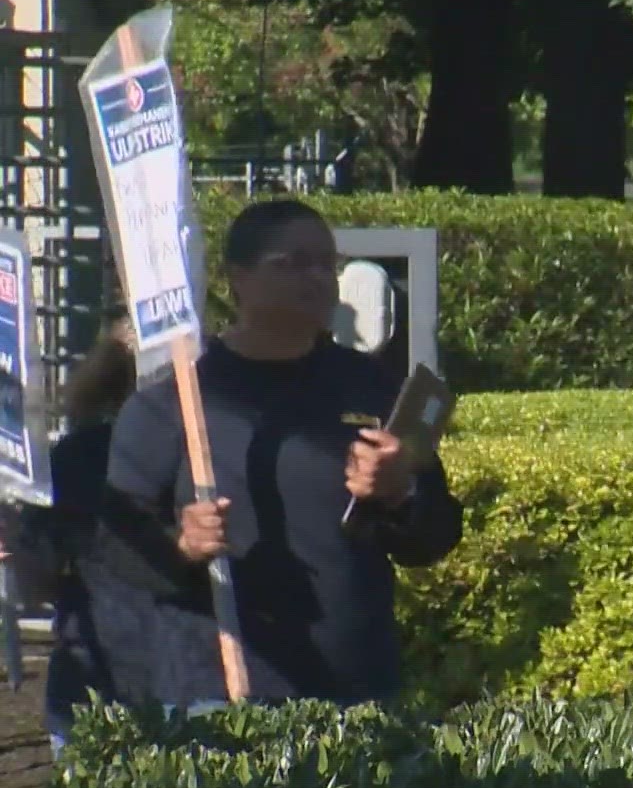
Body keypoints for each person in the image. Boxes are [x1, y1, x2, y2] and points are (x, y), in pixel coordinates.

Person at [94, 199, 463, 708]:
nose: (317, 278)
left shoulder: (370, 385)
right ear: (237, 279)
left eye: (327, 264)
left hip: (356, 688)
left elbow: (434, 537)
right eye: (292, 263)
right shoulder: (176, 402)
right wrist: (179, 546)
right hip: (224, 688)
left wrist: (402, 494)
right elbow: (114, 549)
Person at [8, 314, 141, 754]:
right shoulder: (221, 456)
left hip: (90, 679)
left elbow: (36, 583)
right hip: (180, 679)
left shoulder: (73, 456)